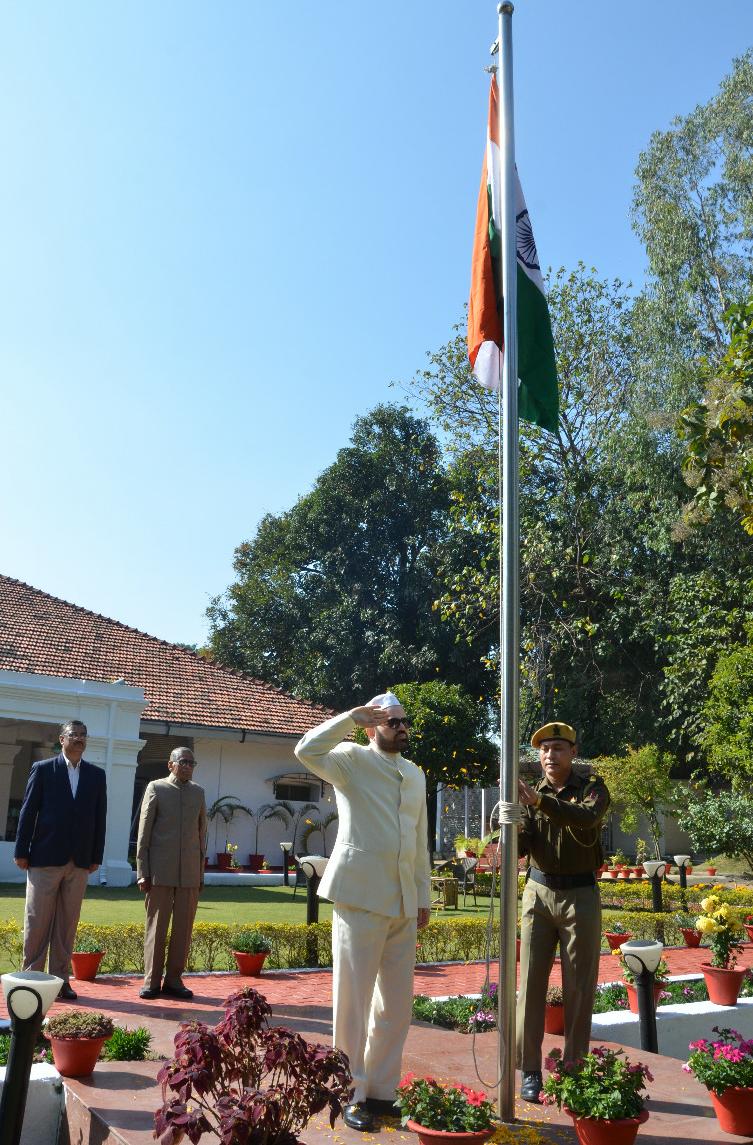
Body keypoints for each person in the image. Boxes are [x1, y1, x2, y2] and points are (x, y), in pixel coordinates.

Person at [295, 691, 431, 1132]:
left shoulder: (415, 773)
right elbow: (305, 750)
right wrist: (348, 718)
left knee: (396, 1005)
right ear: (372, 727)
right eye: (392, 721)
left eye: (404, 721)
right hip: (359, 896)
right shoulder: (351, 760)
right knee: (353, 1002)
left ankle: (382, 1091)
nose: (402, 727)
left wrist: (423, 895)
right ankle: (348, 1092)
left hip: (402, 902)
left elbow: (419, 840)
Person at [516, 721, 610, 1103]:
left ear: (573, 752)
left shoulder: (592, 788)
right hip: (538, 893)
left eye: (557, 748)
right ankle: (530, 1070)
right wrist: (509, 824)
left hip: (580, 896)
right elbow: (523, 844)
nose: (550, 755)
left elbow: (587, 818)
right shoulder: (530, 794)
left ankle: (574, 1070)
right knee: (529, 985)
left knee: (580, 987)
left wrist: (539, 803)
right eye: (544, 749)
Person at [14, 719, 107, 1000]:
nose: (79, 738)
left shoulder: (96, 775)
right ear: (61, 739)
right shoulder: (43, 769)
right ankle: (31, 977)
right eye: (74, 734)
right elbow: (28, 811)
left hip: (79, 861)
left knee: (67, 924)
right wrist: (21, 850)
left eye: (83, 734)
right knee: (37, 921)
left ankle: (60, 979)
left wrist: (96, 855)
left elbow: (99, 818)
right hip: (44, 857)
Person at [136, 746, 207, 999]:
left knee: (183, 930)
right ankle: (151, 982)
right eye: (183, 761)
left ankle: (174, 980)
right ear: (171, 764)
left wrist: (200, 874)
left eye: (191, 763)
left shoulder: (198, 793)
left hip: (189, 872)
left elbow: (202, 835)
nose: (187, 766)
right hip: (160, 871)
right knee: (156, 928)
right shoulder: (156, 788)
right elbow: (144, 833)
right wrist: (142, 871)